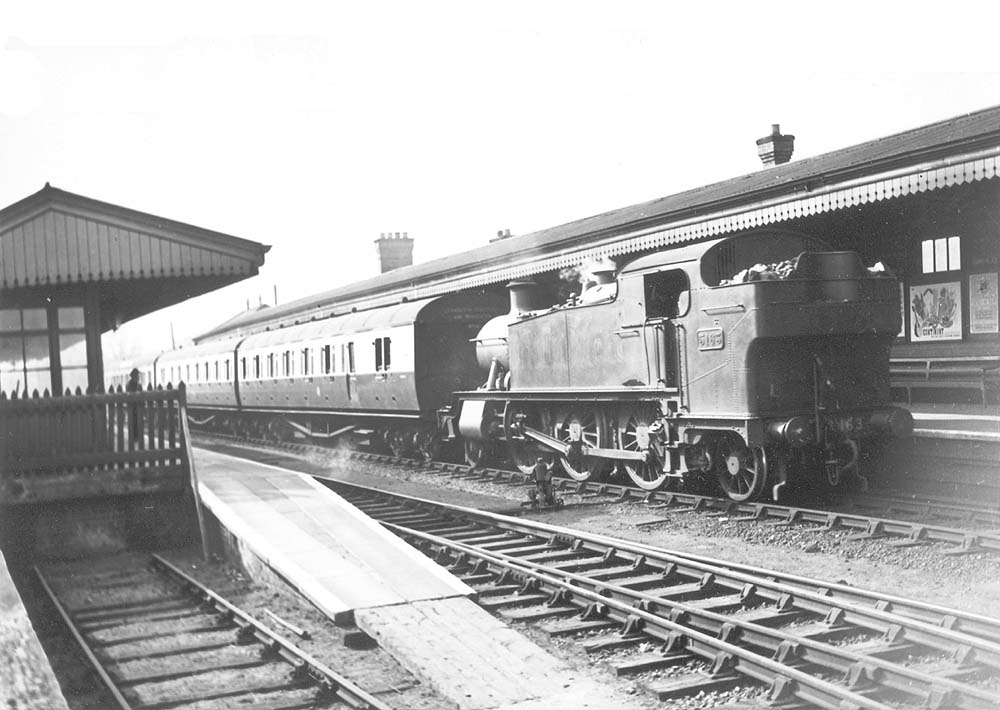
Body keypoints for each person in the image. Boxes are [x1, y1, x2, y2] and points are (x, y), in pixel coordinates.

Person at [126, 368, 142, 445]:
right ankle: (134, 437)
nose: (138, 377)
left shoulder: (138, 385)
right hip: (132, 407)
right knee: (133, 422)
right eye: (137, 375)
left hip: (137, 407)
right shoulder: (129, 385)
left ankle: (137, 437)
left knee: (137, 422)